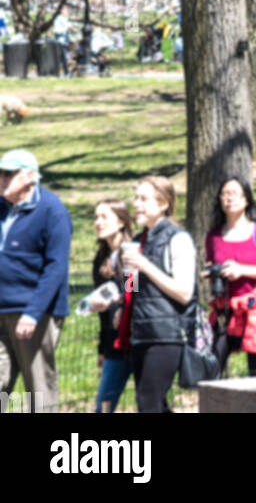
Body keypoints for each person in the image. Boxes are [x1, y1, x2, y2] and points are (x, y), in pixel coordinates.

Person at [0, 148, 72, 412]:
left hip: (34, 314)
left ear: (30, 176)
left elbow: (57, 267)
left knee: (38, 392)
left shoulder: (52, 211)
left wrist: (33, 312)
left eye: (9, 174)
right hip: (2, 309)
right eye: (0, 174)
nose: (2, 179)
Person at [115, 176, 195, 413]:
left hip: (166, 334)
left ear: (163, 204)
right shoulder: (138, 241)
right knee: (154, 405)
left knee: (148, 403)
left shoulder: (178, 238)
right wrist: (121, 302)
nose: (136, 204)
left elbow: (184, 293)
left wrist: (145, 265)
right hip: (140, 333)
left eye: (143, 199)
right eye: (135, 198)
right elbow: (134, 288)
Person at [204, 178, 256, 377]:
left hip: (254, 310)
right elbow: (210, 264)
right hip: (224, 311)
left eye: (235, 193)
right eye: (224, 193)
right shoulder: (213, 236)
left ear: (247, 199)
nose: (229, 197)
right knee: (211, 370)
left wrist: (240, 270)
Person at [90, 199, 134, 412]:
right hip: (114, 346)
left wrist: (122, 308)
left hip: (138, 340)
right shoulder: (100, 260)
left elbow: (133, 293)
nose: (98, 222)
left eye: (104, 217)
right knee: (104, 407)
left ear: (121, 222)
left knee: (153, 404)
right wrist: (102, 348)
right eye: (96, 217)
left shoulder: (132, 254)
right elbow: (103, 315)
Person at [52, 6, 71, 77]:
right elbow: (56, 31)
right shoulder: (58, 19)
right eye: (66, 11)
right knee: (62, 58)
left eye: (67, 11)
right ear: (62, 11)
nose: (67, 12)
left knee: (64, 58)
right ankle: (64, 73)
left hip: (65, 42)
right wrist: (66, 28)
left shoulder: (65, 19)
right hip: (60, 42)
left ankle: (65, 73)